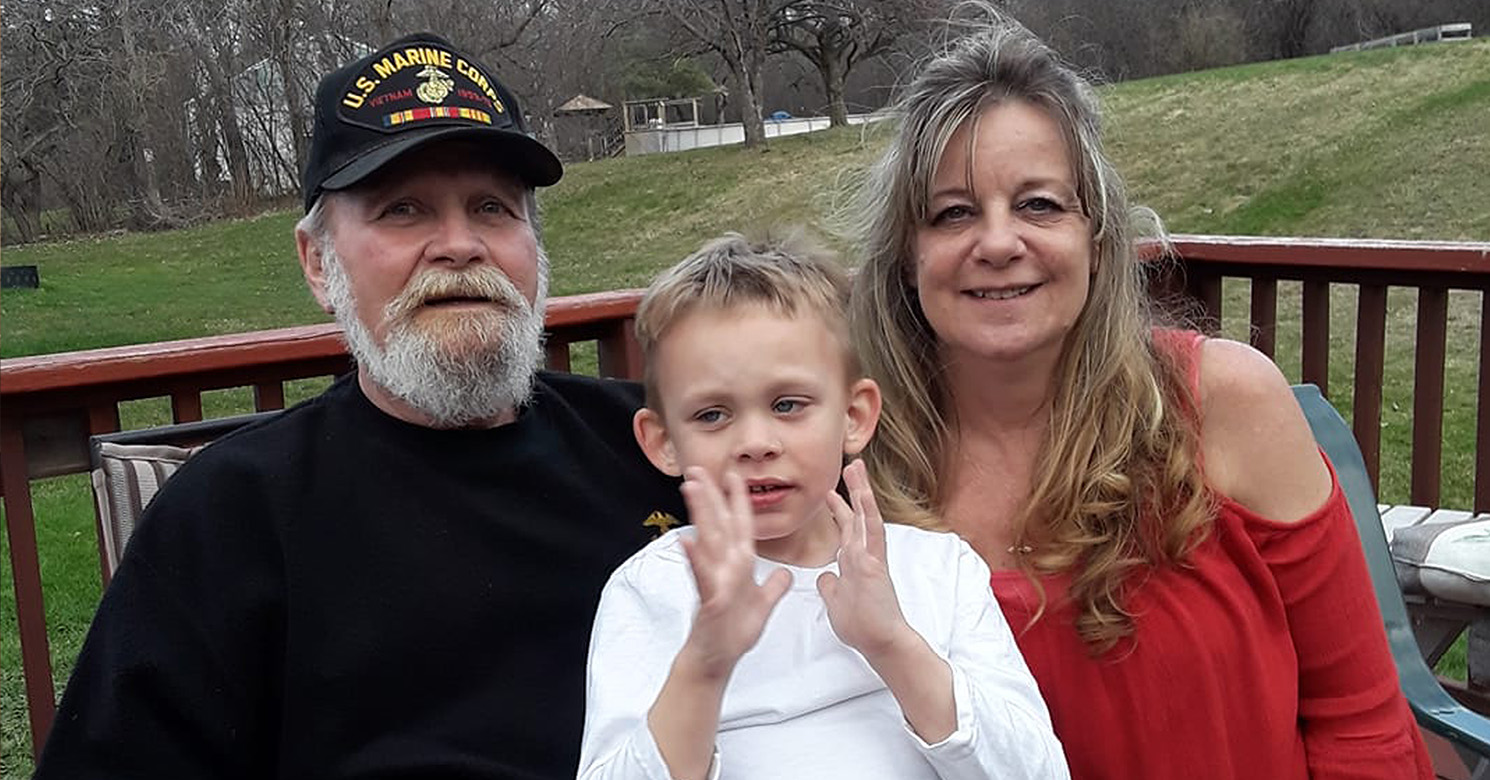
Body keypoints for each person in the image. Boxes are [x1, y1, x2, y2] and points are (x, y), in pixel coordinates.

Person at [35, 32, 686, 780]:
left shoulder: (658, 445)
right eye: (403, 209)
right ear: (318, 263)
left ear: (533, 249)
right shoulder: (230, 518)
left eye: (493, 208)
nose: (459, 244)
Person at [845, 14, 1435, 780]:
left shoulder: (1221, 403)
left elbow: (1362, 727)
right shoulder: (854, 463)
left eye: (1039, 204)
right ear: (907, 255)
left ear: (1097, 238)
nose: (996, 242)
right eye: (953, 213)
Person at [577, 233, 1069, 780]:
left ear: (854, 416)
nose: (756, 442)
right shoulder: (654, 591)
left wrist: (893, 644)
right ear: (663, 441)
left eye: (788, 404)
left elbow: (1038, 770)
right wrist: (704, 666)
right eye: (713, 415)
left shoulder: (936, 571)